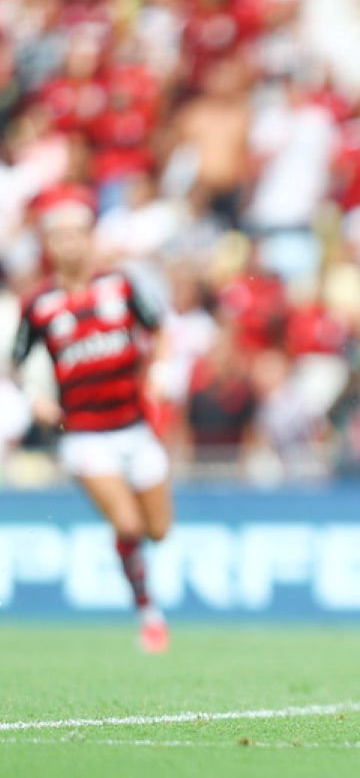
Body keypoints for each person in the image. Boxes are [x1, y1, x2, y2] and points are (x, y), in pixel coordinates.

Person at [11, 184, 173, 653]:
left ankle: (136, 575)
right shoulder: (38, 305)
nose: (69, 244)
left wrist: (159, 372)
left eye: (76, 234)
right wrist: (36, 397)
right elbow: (18, 362)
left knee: (157, 530)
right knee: (127, 525)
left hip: (135, 427)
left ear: (90, 238)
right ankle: (149, 615)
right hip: (85, 434)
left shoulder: (120, 285)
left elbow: (159, 330)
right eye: (59, 236)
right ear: (49, 244)